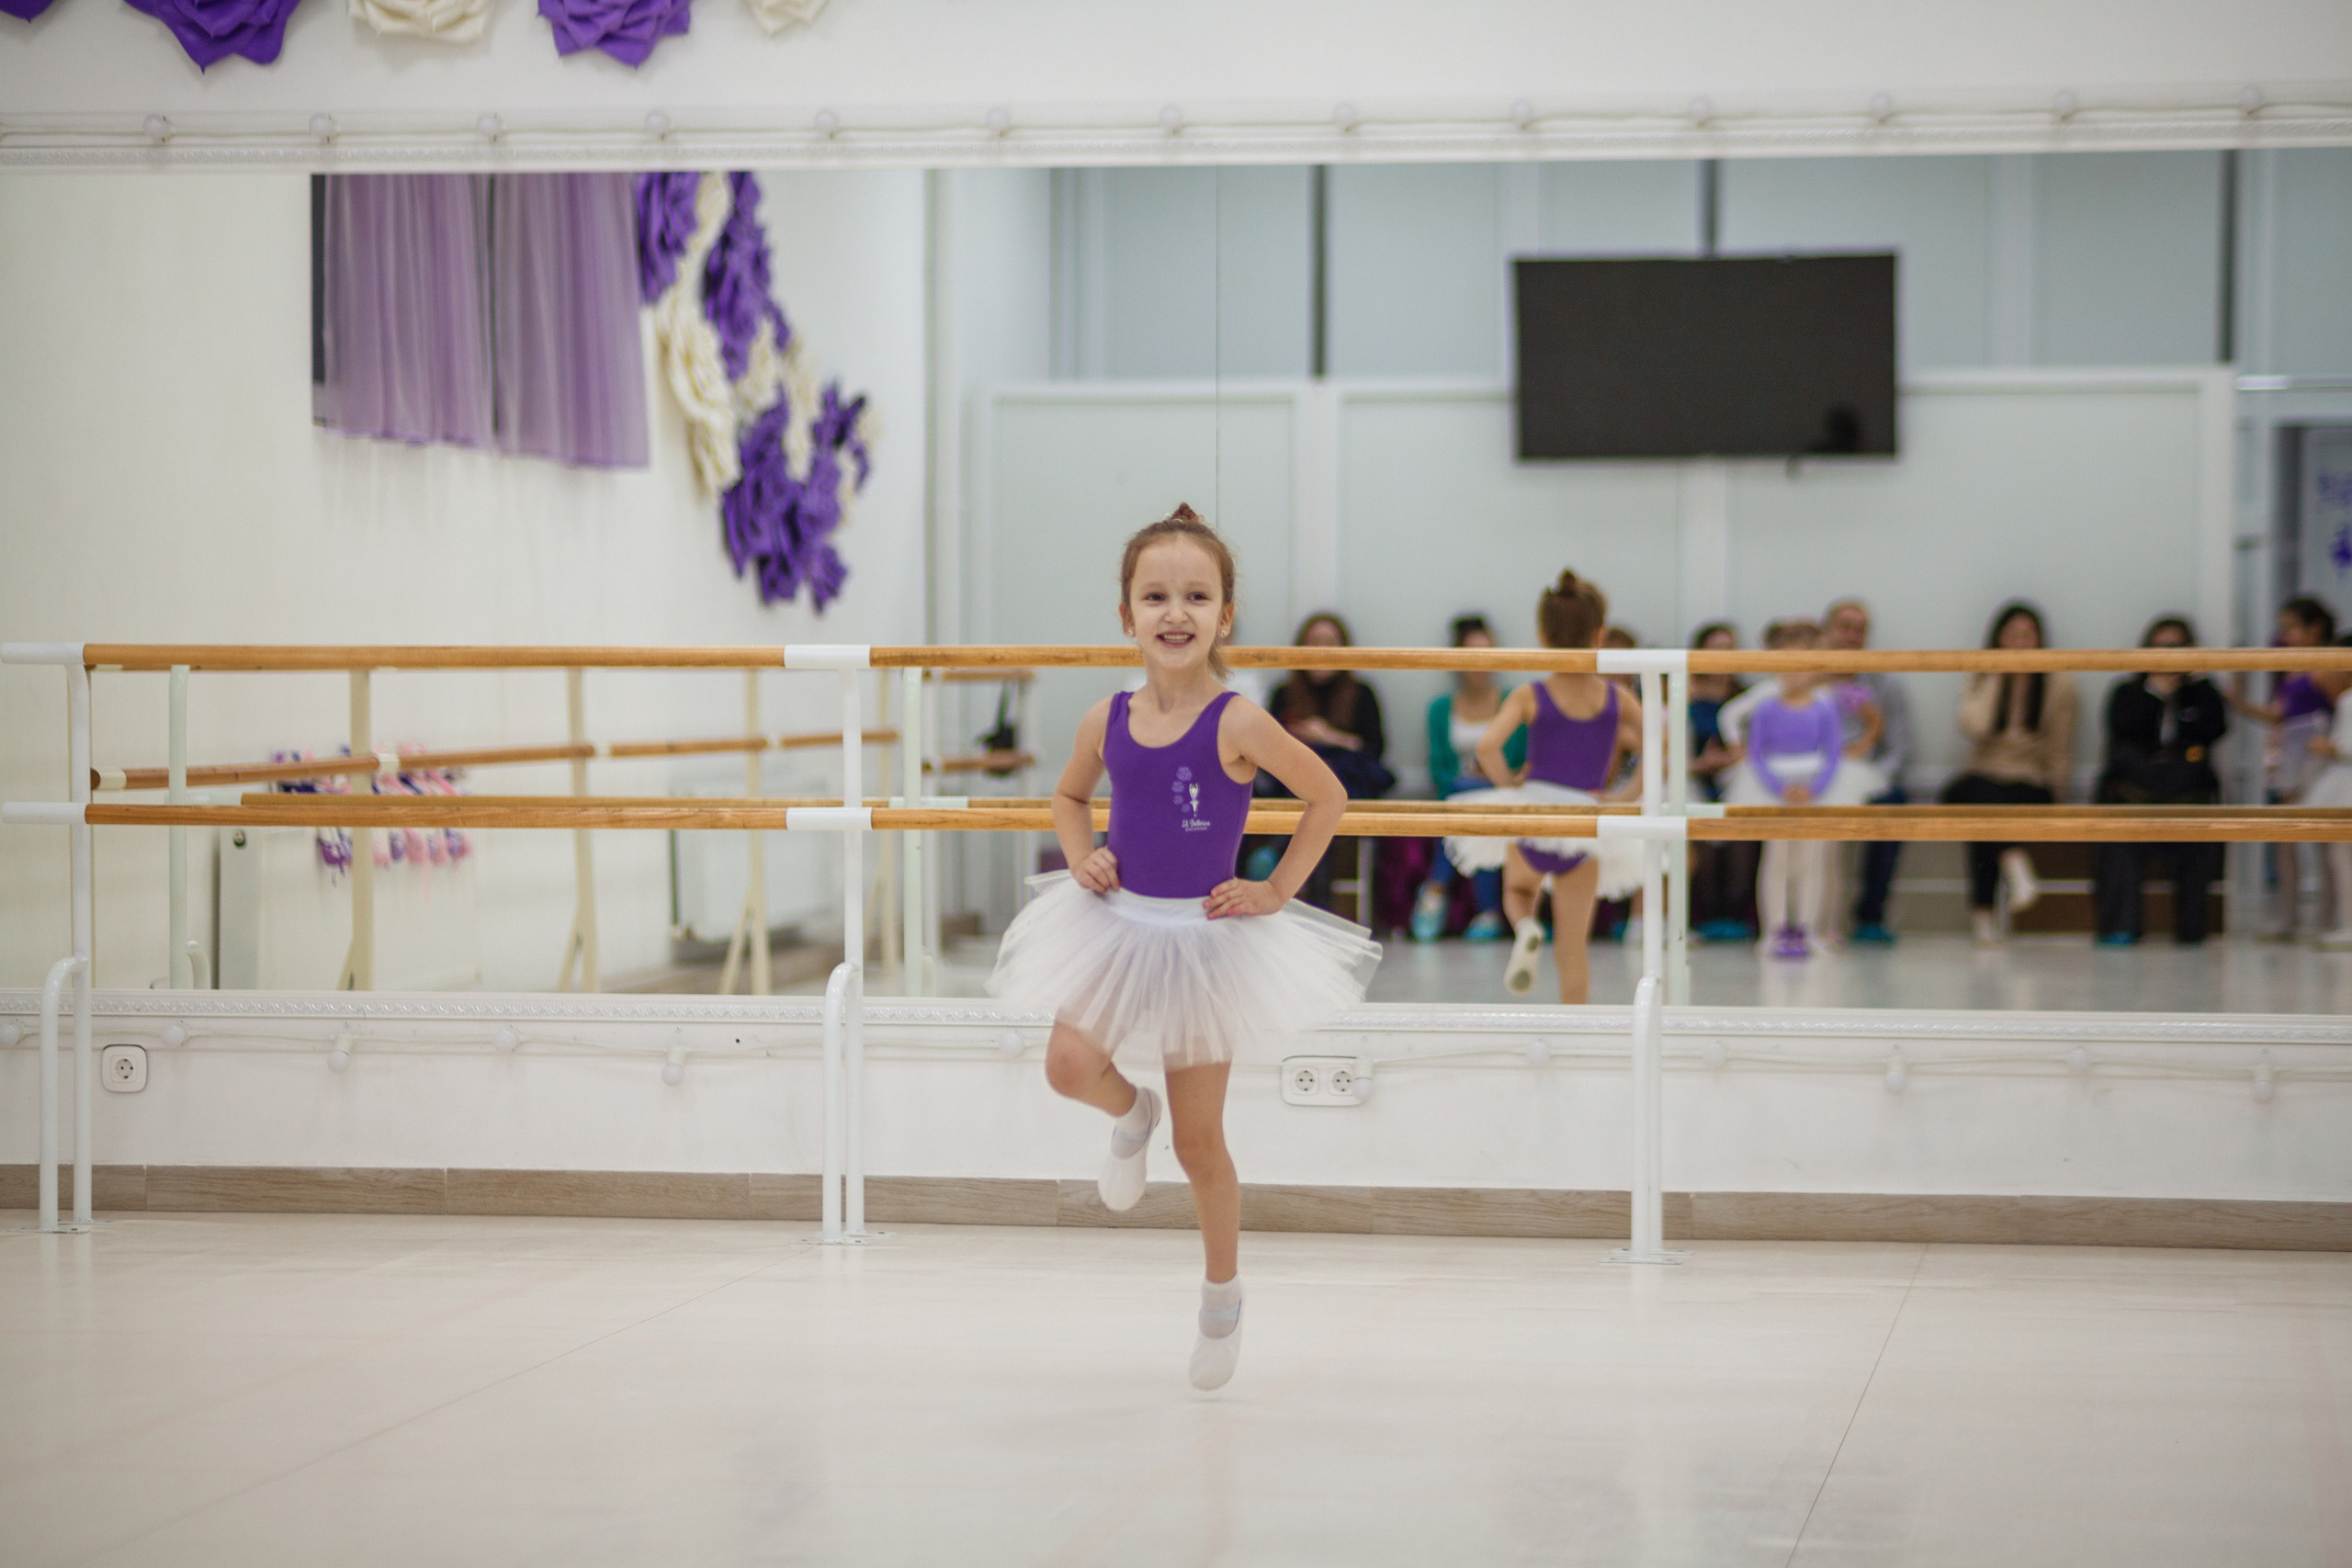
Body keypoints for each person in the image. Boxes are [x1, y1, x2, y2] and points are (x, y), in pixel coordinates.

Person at [988, 505, 1382, 1390]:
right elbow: (1064, 796)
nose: (1176, 612)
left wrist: (1278, 888)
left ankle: (1221, 1297)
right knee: (1064, 1064)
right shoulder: (1107, 716)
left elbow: (1327, 798)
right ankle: (1130, 1112)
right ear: (1125, 615)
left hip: (1205, 943)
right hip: (1113, 925)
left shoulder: (1239, 721)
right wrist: (1082, 848)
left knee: (1202, 1148)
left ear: (1225, 615)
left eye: (1196, 595)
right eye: (1156, 595)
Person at [1442, 570, 1645, 1003]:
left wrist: (1510, 785)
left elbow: (1488, 747)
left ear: (1541, 635)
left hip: (1535, 812)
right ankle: (1576, 1027)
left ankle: (1527, 926)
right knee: (1574, 951)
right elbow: (1662, 747)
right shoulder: (1617, 698)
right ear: (1600, 634)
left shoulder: (1531, 694)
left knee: (1518, 891)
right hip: (1584, 820)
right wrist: (1628, 796)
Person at [1724, 619, 1884, 959]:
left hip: (1818, 788)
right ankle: (1773, 930)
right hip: (1773, 789)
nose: (1794, 673)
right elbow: (1756, 752)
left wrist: (1815, 787)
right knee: (1776, 860)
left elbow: (1832, 752)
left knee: (1812, 861)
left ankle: (1811, 930)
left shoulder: (1825, 706)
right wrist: (1780, 787)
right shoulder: (1766, 707)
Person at [1941, 601, 2078, 946]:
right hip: (1983, 773)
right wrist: (1997, 675)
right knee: (1971, 797)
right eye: (2011, 635)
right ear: (1997, 639)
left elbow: (2060, 749)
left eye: (2027, 635)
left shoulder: (2059, 683)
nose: (2020, 642)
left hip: (2029, 779)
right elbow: (1973, 726)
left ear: (2040, 640)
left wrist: (2061, 803)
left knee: (1986, 817)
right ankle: (2014, 863)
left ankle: (1983, 915)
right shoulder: (1981, 673)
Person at [2092, 615, 2229, 946]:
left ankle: (2192, 930)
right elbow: (2123, 730)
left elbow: (2214, 729)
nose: (2169, 655)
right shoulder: (2128, 691)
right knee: (2115, 837)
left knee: (2201, 837)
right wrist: (2154, 692)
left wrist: (2195, 682)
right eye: (2161, 647)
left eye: (2177, 647)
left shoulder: (2201, 693)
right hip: (2133, 797)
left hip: (2187, 798)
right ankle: (2119, 927)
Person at [1257, 612, 1393, 908]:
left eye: (1330, 642)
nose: (1321, 649)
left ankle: (1274, 853)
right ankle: (1319, 905)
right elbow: (1266, 751)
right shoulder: (1284, 693)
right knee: (1313, 790)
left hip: (1347, 785)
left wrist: (1329, 737)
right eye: (1314, 642)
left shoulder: (1361, 693)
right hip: (1295, 785)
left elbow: (1375, 749)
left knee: (1327, 788)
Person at [1410, 614, 1524, 942]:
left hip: (1500, 793)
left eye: (1488, 653)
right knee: (1470, 805)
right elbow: (1438, 770)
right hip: (1455, 795)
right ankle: (1487, 911)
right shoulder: (1440, 709)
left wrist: (1488, 775)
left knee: (1477, 805)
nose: (1481, 664)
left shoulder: (1512, 703)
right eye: (1472, 654)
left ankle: (1434, 889)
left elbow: (1521, 766)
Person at [2229, 596, 2337, 936]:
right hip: (2290, 755)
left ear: (2315, 628)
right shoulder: (2289, 666)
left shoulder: (2330, 666)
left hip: (2319, 757)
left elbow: (2344, 711)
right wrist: (2241, 703)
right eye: (2283, 628)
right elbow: (2280, 714)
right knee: (2284, 838)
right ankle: (2288, 917)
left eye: (2291, 627)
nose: (2285, 635)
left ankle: (2329, 916)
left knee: (2325, 838)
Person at [1821, 598, 1912, 944]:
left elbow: (1898, 747)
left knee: (1892, 807)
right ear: (1827, 631)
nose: (1851, 636)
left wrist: (1871, 779)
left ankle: (1870, 915)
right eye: (1844, 627)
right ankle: (1810, 920)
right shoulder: (1806, 681)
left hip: (1870, 775)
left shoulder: (1884, 686)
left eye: (1860, 630)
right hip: (1817, 777)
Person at [1686, 622, 1758, 942]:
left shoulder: (1748, 698)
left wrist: (1735, 759)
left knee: (1741, 831)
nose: (1724, 657)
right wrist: (1701, 764)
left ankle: (1736, 912)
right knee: (1700, 831)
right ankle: (1705, 914)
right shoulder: (1683, 696)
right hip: (1695, 781)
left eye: (1731, 649)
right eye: (1717, 649)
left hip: (1739, 783)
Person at [2293, 634, 2352, 948]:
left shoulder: (2347, 700)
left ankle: (2347, 923)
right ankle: (2340, 920)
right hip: (2341, 780)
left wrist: (2328, 747)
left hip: (2346, 783)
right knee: (2338, 858)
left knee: (2341, 859)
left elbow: (2346, 746)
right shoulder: (2343, 699)